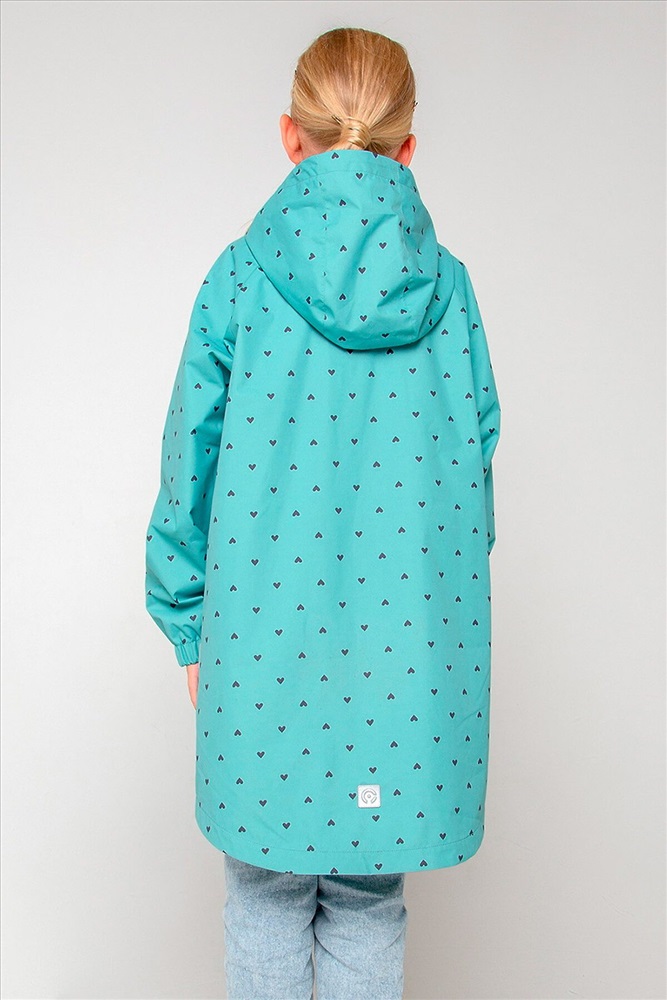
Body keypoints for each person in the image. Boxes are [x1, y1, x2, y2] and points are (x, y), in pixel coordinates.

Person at [145, 25, 501, 1000]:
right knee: (367, 897)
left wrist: (187, 623)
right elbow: (473, 475)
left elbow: (188, 465)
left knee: (263, 894)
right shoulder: (451, 289)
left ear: (288, 136)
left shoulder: (239, 276)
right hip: (403, 655)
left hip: (260, 645)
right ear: (408, 148)